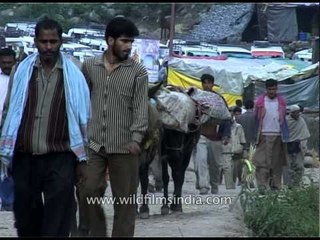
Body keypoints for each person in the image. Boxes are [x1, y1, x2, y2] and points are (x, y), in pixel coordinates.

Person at [0, 18, 91, 237]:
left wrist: (82, 160)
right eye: (43, 41)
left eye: (53, 41)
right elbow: (9, 110)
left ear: (61, 42)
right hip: (25, 156)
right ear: (35, 42)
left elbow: (84, 117)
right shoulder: (22, 71)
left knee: (58, 219)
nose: (48, 47)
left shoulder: (74, 76)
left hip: (60, 157)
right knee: (26, 219)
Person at [79, 17, 149, 237]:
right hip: (94, 144)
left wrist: (136, 139)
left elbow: (140, 108)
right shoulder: (90, 66)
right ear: (110, 40)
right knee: (87, 191)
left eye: (131, 42)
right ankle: (98, 233)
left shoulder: (138, 72)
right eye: (125, 41)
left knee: (126, 202)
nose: (129, 46)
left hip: (125, 146)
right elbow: (81, 101)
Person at [253, 79, 289, 193]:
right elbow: (256, 119)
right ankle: (262, 187)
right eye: (270, 89)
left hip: (278, 135)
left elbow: (283, 120)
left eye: (274, 89)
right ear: (266, 89)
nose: (272, 91)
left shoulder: (281, 102)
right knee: (261, 163)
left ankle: (275, 187)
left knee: (276, 163)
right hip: (263, 134)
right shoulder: (260, 102)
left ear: (277, 89)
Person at [199, 74, 231, 194]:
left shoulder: (219, 99)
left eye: (209, 83)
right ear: (202, 84)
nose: (207, 85)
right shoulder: (197, 97)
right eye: (204, 83)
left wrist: (226, 135)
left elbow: (226, 117)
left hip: (216, 137)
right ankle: (203, 186)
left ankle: (214, 184)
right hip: (200, 136)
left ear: (213, 84)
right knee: (200, 161)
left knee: (215, 164)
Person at [0, 48, 16, 211]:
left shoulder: (20, 78)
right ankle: (6, 201)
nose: (6, 66)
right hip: (0, 129)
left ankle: (11, 201)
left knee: (13, 166)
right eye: (3, 63)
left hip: (15, 130)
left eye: (9, 63)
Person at [284, 105, 310, 188]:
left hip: (298, 146)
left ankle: (297, 183)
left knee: (299, 166)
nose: (298, 114)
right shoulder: (286, 121)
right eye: (296, 112)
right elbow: (282, 134)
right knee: (288, 166)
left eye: (299, 112)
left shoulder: (301, 120)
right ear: (292, 113)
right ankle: (288, 184)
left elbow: (304, 134)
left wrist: (303, 144)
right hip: (287, 146)